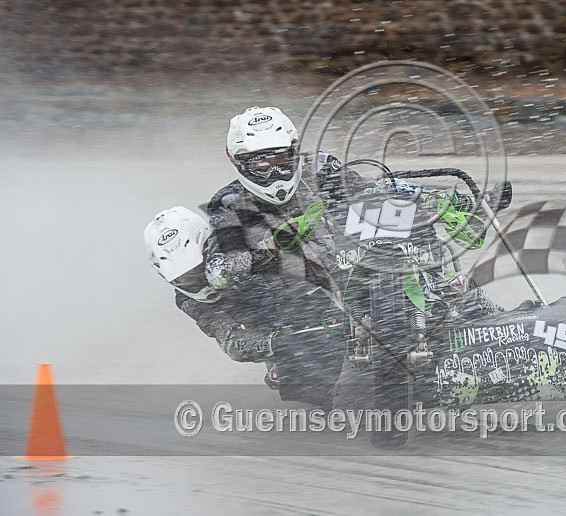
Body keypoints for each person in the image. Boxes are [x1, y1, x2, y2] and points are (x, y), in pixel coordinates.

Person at [204, 106, 509, 319]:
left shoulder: (321, 167)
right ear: (238, 162)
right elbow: (218, 271)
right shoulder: (228, 203)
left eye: (282, 158)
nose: (275, 171)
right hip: (302, 302)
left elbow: (370, 193)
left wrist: (441, 201)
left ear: (295, 150)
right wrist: (277, 245)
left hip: (357, 262)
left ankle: (464, 299)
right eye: (262, 163)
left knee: (386, 207)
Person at [144, 206, 285, 388]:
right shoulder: (187, 300)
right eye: (185, 278)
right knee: (288, 380)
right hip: (274, 329)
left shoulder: (237, 237)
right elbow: (230, 340)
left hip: (304, 293)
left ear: (206, 246)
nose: (196, 281)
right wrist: (273, 343)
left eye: (197, 270)